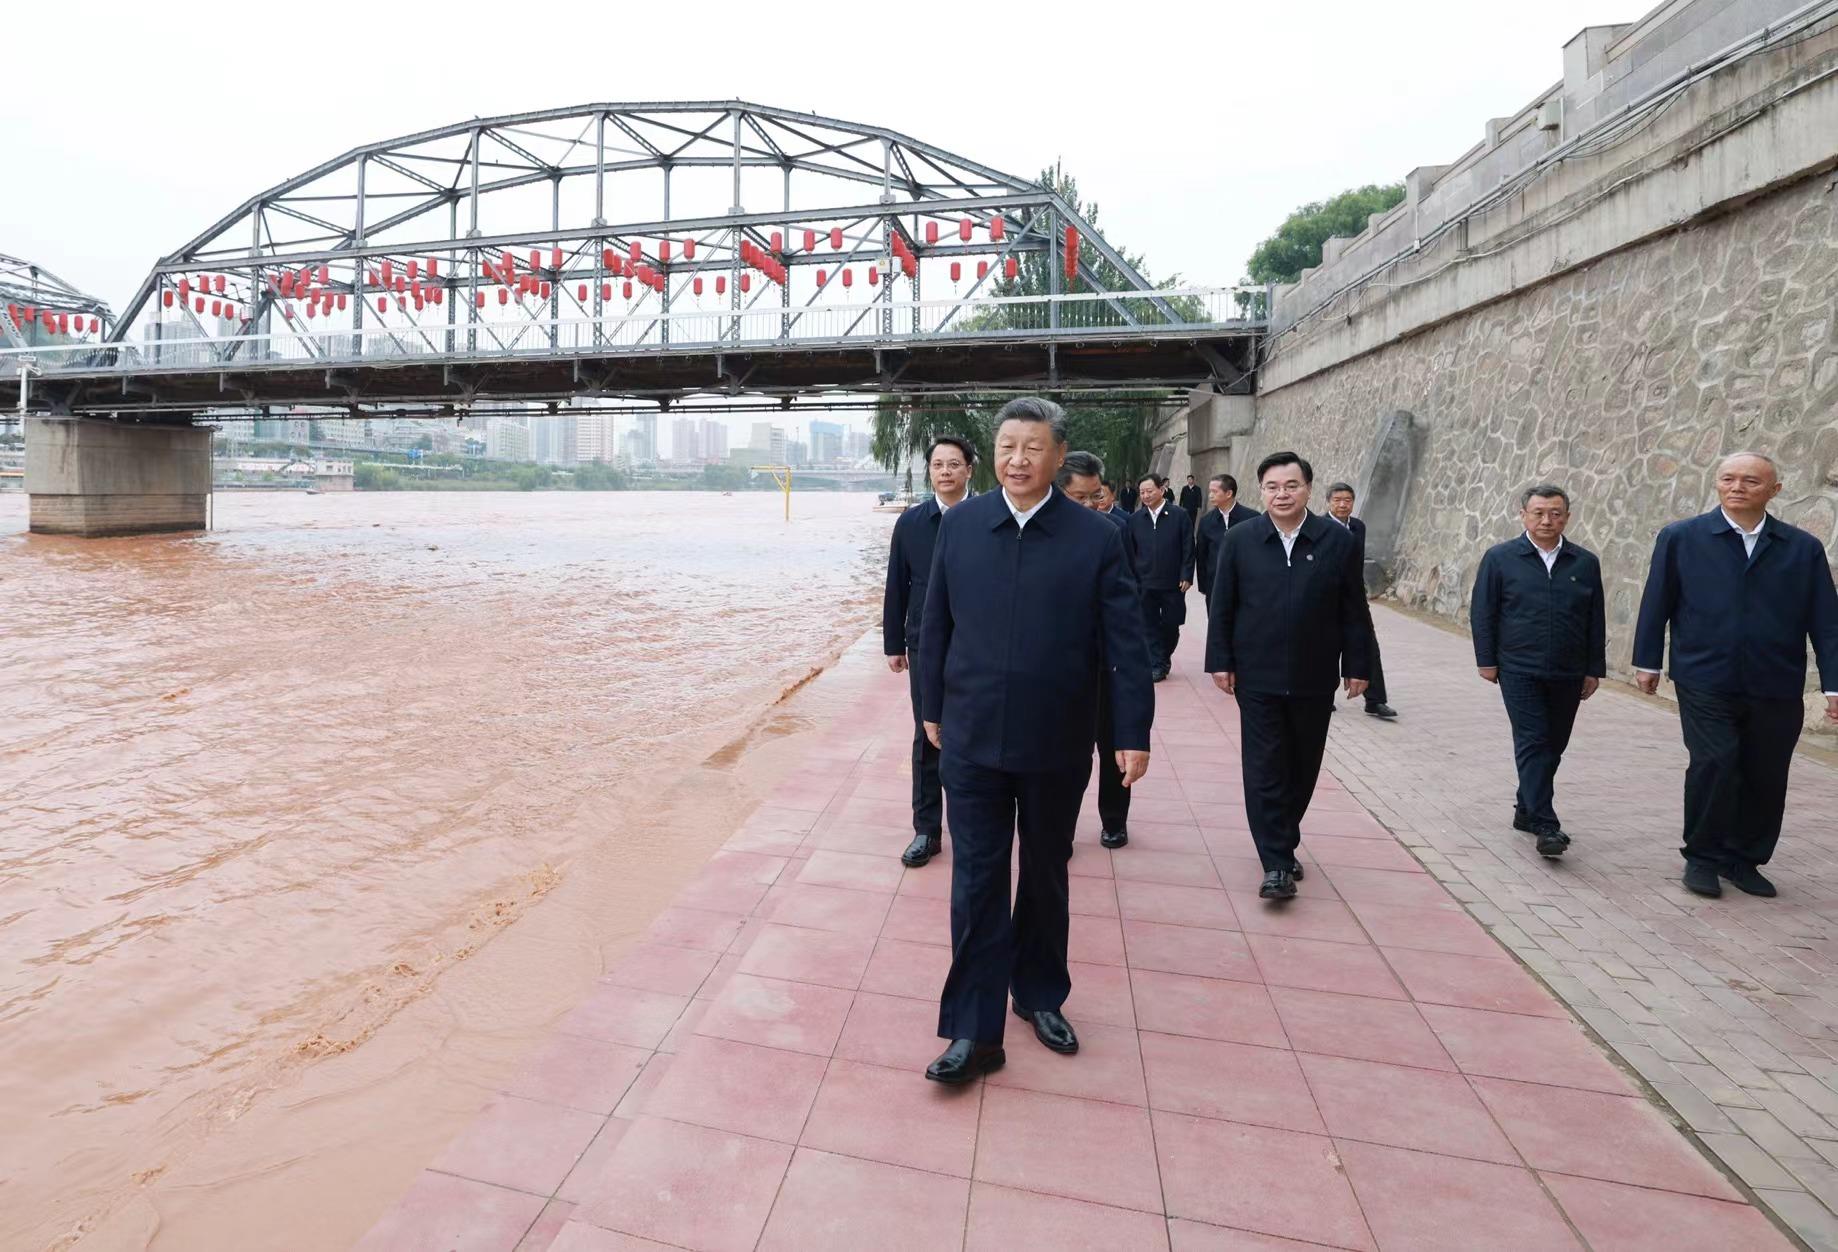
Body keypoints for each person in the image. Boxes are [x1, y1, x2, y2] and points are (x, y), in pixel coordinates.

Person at [918, 398, 1153, 1083]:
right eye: (1007, 446)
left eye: (1032, 447)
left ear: (1058, 455)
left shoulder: (1095, 537)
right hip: (971, 739)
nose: (1017, 459)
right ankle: (973, 1031)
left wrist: (1131, 732)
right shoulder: (961, 526)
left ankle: (1040, 994)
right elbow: (935, 625)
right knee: (976, 880)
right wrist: (930, 707)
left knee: (1046, 872)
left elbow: (1126, 645)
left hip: (1057, 739)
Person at [1633, 452, 1838, 899]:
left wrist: (1834, 684)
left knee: (1766, 772)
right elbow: (1657, 601)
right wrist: (1647, 662)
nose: (1737, 487)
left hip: (1776, 681)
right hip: (1704, 675)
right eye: (1728, 478)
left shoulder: (1802, 548)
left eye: (1750, 480)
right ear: (1717, 484)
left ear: (1774, 490)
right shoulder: (1681, 538)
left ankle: (1743, 860)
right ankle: (1702, 857)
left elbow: (1826, 621)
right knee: (1715, 762)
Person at [1207, 452, 1369, 900]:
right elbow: (1222, 604)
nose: (1282, 494)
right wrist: (1220, 659)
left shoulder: (1337, 542)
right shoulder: (1240, 540)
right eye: (1273, 487)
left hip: (1314, 675)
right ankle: (1276, 862)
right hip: (1256, 675)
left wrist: (1359, 665)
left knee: (1302, 764)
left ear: (1308, 489)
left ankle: (1282, 837)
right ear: (1261, 491)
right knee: (1264, 766)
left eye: (1291, 485)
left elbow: (1354, 608)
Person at [1471, 484, 1606, 859]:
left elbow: (1595, 619)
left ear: (1567, 517)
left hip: (1568, 670)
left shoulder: (1584, 563)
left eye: (1555, 513)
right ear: (1523, 515)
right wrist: (1486, 659)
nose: (1547, 520)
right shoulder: (1500, 558)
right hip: (1518, 667)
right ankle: (1546, 825)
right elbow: (1483, 611)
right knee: (1533, 740)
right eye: (1539, 513)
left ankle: (1525, 808)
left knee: (1554, 744)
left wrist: (1593, 668)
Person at [882, 436, 975, 867]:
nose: (945, 471)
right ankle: (926, 829)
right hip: (925, 642)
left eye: (954, 464)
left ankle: (974, 824)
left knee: (976, 731)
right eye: (938, 465)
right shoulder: (911, 523)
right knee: (928, 732)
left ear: (969, 469)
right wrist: (894, 644)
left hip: (979, 642)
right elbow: (896, 585)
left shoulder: (987, 518)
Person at [1060, 451, 1141, 850]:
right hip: (1062, 667)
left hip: (1106, 662)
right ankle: (1061, 826)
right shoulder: (1042, 534)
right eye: (1080, 498)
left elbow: (1127, 599)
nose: (1091, 505)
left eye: (1095, 496)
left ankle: (1114, 820)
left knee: (1112, 746)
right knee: (1063, 756)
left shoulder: (1114, 531)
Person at [1323, 483, 1398, 720]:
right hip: (1325, 599)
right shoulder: (1319, 527)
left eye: (1347, 500)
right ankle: (1323, 697)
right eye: (1337, 500)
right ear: (1328, 502)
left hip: (1354, 598)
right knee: (1325, 649)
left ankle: (1375, 700)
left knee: (1368, 646)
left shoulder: (1358, 527)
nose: (1342, 504)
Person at [1127, 474, 1195, 682]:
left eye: (1149, 491)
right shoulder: (1135, 520)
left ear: (1162, 490)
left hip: (1173, 582)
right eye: (1142, 492)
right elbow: (1130, 551)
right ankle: (1156, 663)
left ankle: (1163, 657)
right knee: (1148, 625)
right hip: (1144, 582)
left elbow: (1188, 546)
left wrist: (1186, 574)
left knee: (1171, 624)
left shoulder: (1180, 515)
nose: (1146, 495)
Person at [1193, 473, 1257, 613]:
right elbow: (1201, 555)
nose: (1210, 495)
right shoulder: (1206, 521)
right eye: (1210, 491)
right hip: (1215, 584)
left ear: (1228, 493)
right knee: (1216, 621)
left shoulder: (1252, 519)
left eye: (1214, 492)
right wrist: (1204, 585)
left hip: (1245, 585)